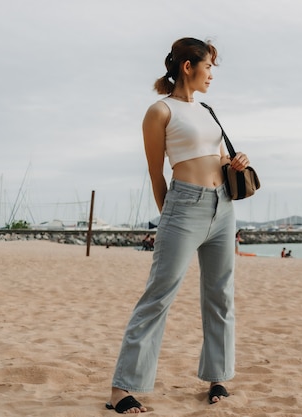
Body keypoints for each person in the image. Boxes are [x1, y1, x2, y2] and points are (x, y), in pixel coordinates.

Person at [106, 37, 250, 414]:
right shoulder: (160, 111)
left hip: (223, 208)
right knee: (158, 296)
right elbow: (156, 173)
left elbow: (219, 157)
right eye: (208, 67)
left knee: (221, 295)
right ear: (188, 66)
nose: (211, 75)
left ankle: (218, 378)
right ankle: (122, 389)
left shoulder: (206, 109)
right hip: (183, 207)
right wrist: (170, 216)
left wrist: (234, 163)